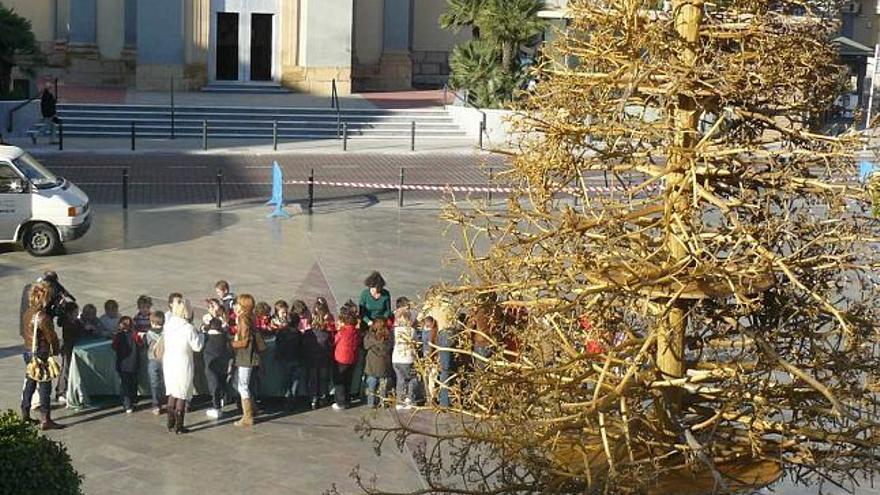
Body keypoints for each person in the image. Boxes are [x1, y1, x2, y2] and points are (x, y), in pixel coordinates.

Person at [20, 281, 64, 430]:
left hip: (28, 352)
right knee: (45, 386)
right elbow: (51, 337)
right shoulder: (43, 317)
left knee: (30, 382)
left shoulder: (28, 312)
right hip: (41, 354)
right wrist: (56, 351)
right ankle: (46, 419)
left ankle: (25, 413)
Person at [162, 297, 204, 434]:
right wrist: (202, 335)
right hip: (182, 362)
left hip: (169, 361)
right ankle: (179, 426)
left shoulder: (168, 325)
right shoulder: (188, 328)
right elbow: (197, 347)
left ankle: (170, 422)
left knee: (172, 391)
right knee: (182, 393)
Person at [355, 272, 392, 399]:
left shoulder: (386, 294)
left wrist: (382, 322)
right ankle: (364, 387)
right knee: (366, 355)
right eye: (375, 288)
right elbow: (361, 312)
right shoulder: (364, 294)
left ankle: (381, 390)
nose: (377, 291)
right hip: (368, 326)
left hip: (381, 327)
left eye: (379, 288)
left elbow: (388, 310)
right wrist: (369, 321)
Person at [232, 294, 259, 427]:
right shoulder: (251, 316)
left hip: (245, 356)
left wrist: (232, 344)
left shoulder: (243, 319)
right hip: (251, 355)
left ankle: (247, 416)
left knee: (242, 385)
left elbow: (244, 341)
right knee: (246, 384)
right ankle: (253, 409)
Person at [201, 298, 230, 419]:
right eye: (212, 307)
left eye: (216, 307)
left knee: (215, 380)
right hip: (220, 354)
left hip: (213, 355)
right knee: (218, 378)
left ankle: (217, 404)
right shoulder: (208, 319)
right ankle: (220, 400)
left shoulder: (222, 319)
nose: (215, 309)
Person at [273, 300, 303, 410]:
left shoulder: (281, 332)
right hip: (296, 359)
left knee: (286, 380)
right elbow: (301, 346)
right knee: (295, 380)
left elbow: (278, 345)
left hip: (284, 359)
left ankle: (287, 398)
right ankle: (293, 399)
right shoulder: (299, 333)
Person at [55, 301, 83, 403]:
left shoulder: (74, 321)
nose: (77, 314)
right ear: (69, 314)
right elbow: (75, 333)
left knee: (68, 369)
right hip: (68, 349)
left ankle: (65, 390)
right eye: (75, 312)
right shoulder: (68, 323)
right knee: (65, 370)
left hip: (72, 348)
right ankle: (61, 392)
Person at [332, 309, 360, 410]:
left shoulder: (342, 331)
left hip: (341, 359)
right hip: (352, 359)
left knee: (340, 381)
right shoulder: (356, 332)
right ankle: (347, 400)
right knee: (348, 380)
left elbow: (334, 341)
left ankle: (340, 402)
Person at [111, 316, 141, 413]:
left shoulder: (118, 336)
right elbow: (140, 344)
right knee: (133, 383)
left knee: (125, 385)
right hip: (134, 363)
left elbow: (114, 346)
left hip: (123, 364)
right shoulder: (134, 335)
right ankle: (134, 400)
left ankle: (127, 405)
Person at [392, 307, 418, 409]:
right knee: (413, 378)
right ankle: (410, 398)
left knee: (400, 379)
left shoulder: (395, 330)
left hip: (396, 358)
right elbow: (415, 342)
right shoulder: (411, 331)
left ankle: (399, 400)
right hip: (407, 359)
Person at [363, 318, 392, 409]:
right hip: (384, 364)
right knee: (383, 383)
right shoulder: (388, 338)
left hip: (372, 365)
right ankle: (383, 402)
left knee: (372, 383)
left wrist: (370, 330)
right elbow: (390, 347)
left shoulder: (370, 337)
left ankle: (371, 403)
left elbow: (365, 345)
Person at [145, 311, 166, 415]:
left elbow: (148, 345)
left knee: (155, 383)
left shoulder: (149, 333)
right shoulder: (167, 332)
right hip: (165, 359)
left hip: (153, 360)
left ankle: (156, 404)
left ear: (152, 322)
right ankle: (166, 400)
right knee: (165, 382)